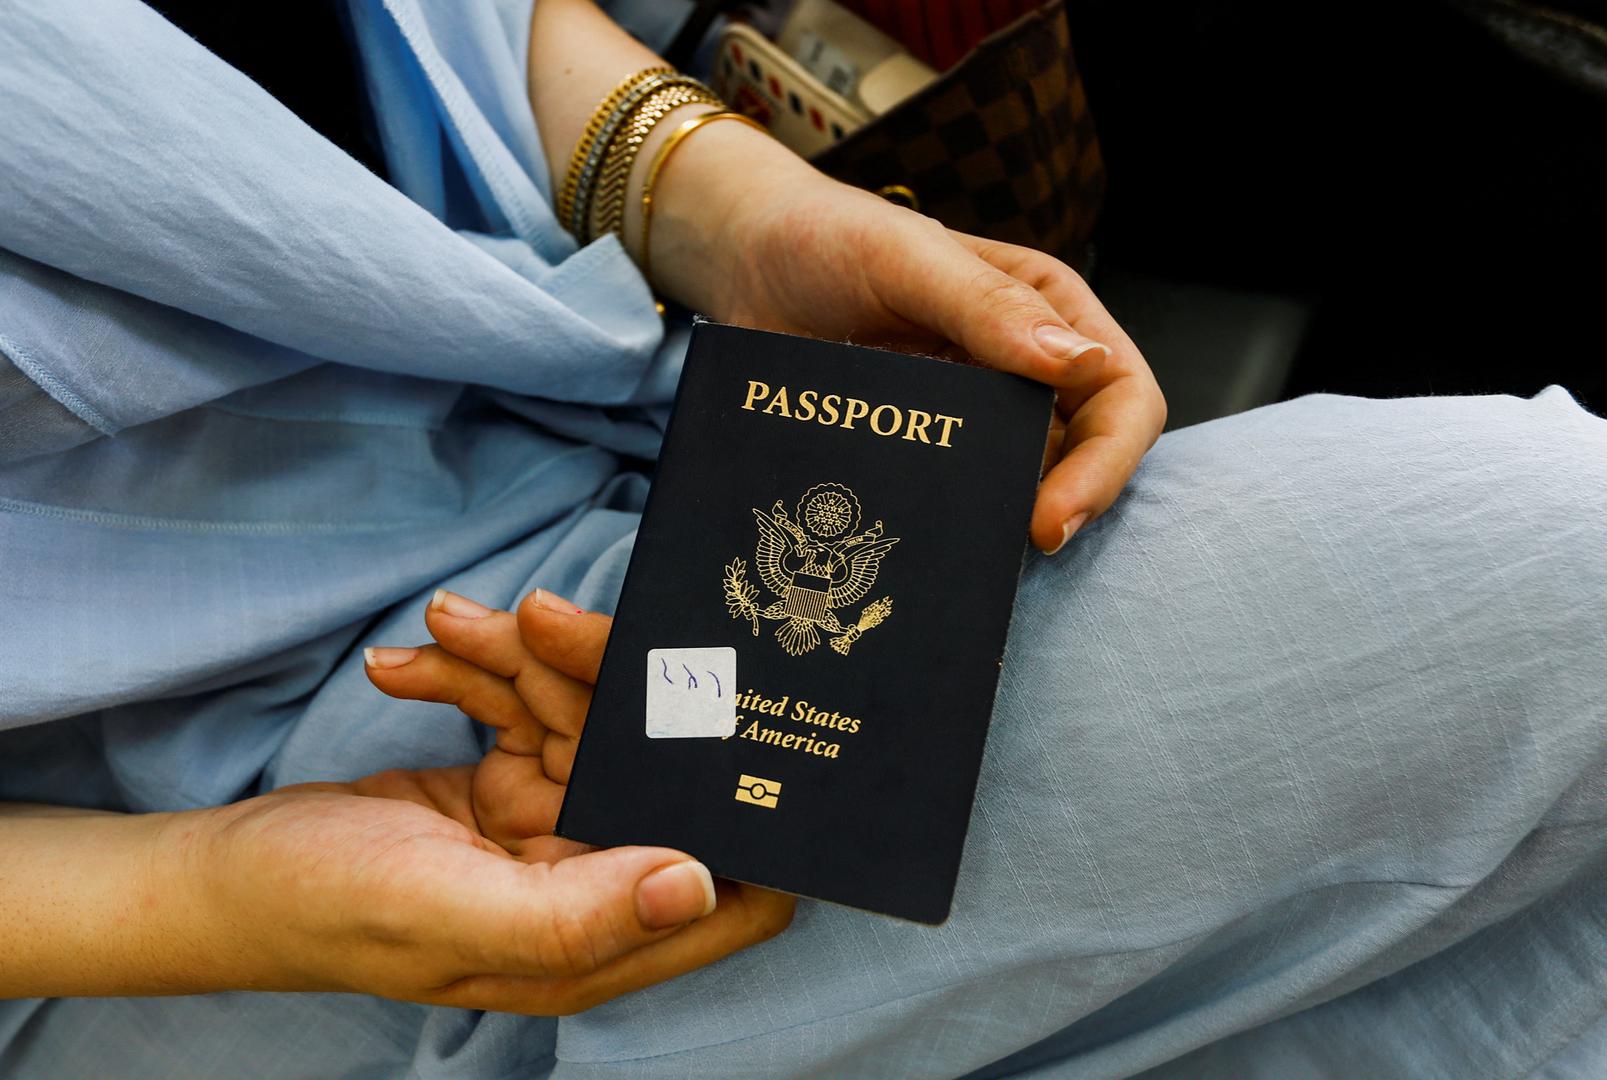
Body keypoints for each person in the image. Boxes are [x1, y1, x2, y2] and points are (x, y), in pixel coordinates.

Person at [0, 1, 1601, 1077]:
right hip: (218, 839)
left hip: (635, 454)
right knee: (1561, 565)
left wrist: (737, 209)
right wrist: (219, 893)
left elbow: (452, 32)